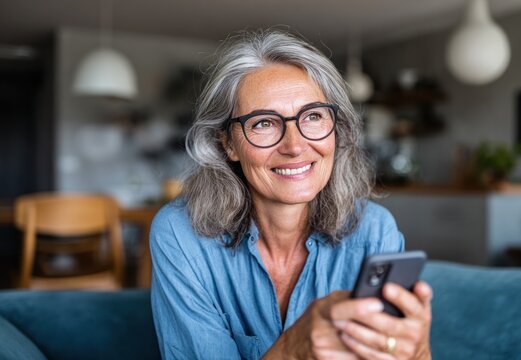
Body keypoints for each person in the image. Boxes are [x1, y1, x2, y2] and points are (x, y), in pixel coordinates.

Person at [150, 29, 432, 360]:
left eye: (312, 116)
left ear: (336, 129)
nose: (295, 146)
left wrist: (417, 349)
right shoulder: (181, 235)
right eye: (264, 123)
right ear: (227, 144)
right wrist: (297, 346)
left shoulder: (374, 230)